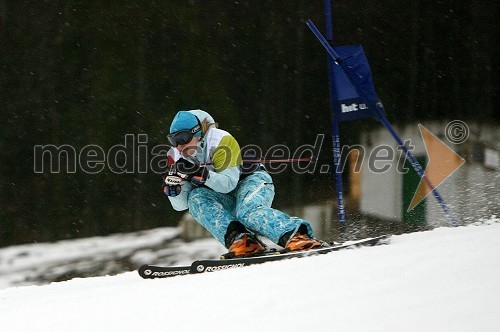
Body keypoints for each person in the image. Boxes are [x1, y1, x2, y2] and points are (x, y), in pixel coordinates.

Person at [163, 109, 324, 258]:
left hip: (251, 181)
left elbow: (228, 184)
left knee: (246, 211)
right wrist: (175, 190)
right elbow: (181, 205)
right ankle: (244, 242)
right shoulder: (176, 156)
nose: (179, 146)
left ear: (197, 132)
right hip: (224, 195)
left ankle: (296, 235)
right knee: (196, 198)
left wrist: (199, 173)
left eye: (182, 138)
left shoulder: (220, 140)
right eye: (173, 140)